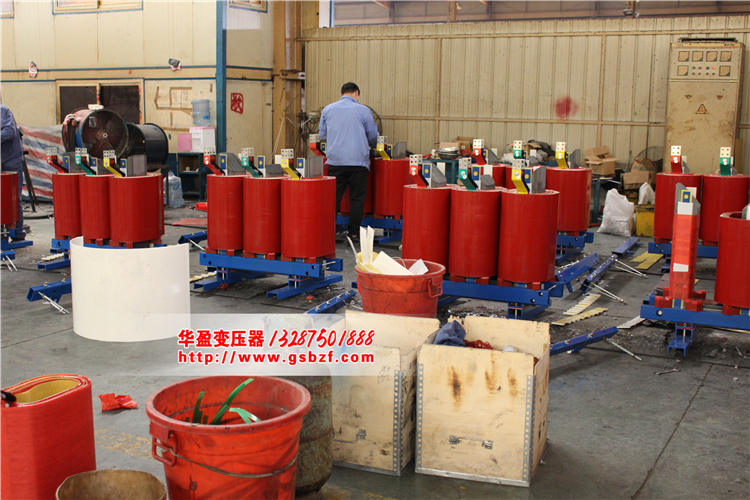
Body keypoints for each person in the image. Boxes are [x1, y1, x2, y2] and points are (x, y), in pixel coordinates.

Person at [320, 82, 379, 241]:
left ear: (341, 94)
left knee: (332, 200)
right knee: (357, 199)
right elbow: (373, 136)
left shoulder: (327, 110)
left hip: (335, 162)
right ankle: (353, 234)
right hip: (358, 163)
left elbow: (323, 135)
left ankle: (327, 233)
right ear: (357, 93)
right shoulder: (364, 110)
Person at [1, 103, 25, 239]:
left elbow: (10, 132)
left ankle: (17, 233)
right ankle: (3, 233)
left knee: (13, 198)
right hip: (2, 161)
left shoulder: (2, 111)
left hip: (11, 161)